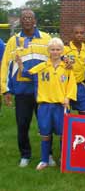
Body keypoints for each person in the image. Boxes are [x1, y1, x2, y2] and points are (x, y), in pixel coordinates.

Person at [1, 9, 52, 167]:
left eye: (30, 17)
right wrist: (5, 89)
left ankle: (48, 155)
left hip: (43, 92)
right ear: (21, 21)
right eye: (24, 18)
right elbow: (5, 66)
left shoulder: (46, 38)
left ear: (34, 20)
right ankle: (25, 155)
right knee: (23, 125)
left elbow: (55, 61)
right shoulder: (13, 41)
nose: (27, 20)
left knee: (45, 125)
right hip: (22, 92)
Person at [17, 37, 77, 170]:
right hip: (44, 106)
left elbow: (72, 84)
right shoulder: (42, 67)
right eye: (52, 49)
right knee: (45, 133)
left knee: (63, 133)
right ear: (48, 51)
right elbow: (27, 73)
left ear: (62, 51)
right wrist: (20, 65)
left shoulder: (67, 67)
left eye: (57, 49)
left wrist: (68, 98)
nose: (55, 52)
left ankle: (64, 158)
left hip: (61, 106)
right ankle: (44, 160)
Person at [63, 24, 85, 115]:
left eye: (81, 33)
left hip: (80, 85)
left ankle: (83, 129)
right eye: (76, 33)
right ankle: (65, 129)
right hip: (66, 85)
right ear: (72, 35)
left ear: (84, 35)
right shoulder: (65, 48)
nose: (79, 35)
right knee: (65, 113)